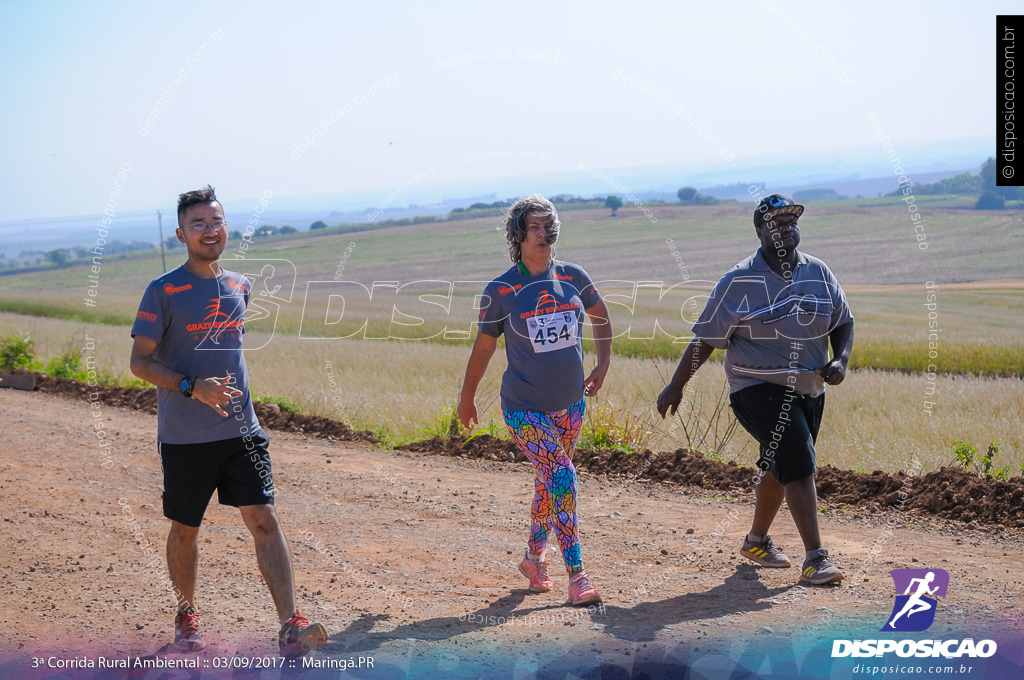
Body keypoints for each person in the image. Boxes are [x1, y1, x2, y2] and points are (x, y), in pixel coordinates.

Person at [129, 186, 327, 654]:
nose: (209, 230)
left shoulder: (240, 285)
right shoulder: (163, 291)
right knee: (185, 530)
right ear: (181, 234)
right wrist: (190, 385)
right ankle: (186, 613)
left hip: (243, 431)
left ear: (226, 227)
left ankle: (290, 624)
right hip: (185, 437)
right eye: (198, 223)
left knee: (265, 520)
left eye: (215, 221)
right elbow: (139, 362)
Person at [656, 194, 854, 586]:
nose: (786, 228)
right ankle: (816, 558)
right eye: (776, 223)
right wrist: (676, 385)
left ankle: (756, 540)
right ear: (759, 231)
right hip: (756, 386)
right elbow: (706, 341)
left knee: (780, 467)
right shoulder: (737, 282)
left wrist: (841, 360)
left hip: (810, 388)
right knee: (797, 460)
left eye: (791, 221)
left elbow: (844, 321)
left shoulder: (819, 271)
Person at [458, 195, 612, 606]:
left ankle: (532, 559)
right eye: (534, 228)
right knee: (562, 475)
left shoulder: (574, 276)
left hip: (571, 404)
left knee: (550, 480)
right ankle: (577, 575)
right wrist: (467, 398)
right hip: (523, 406)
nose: (543, 234)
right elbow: (484, 349)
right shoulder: (502, 290)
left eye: (548, 226)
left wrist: (603, 364)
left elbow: (601, 316)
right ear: (517, 236)